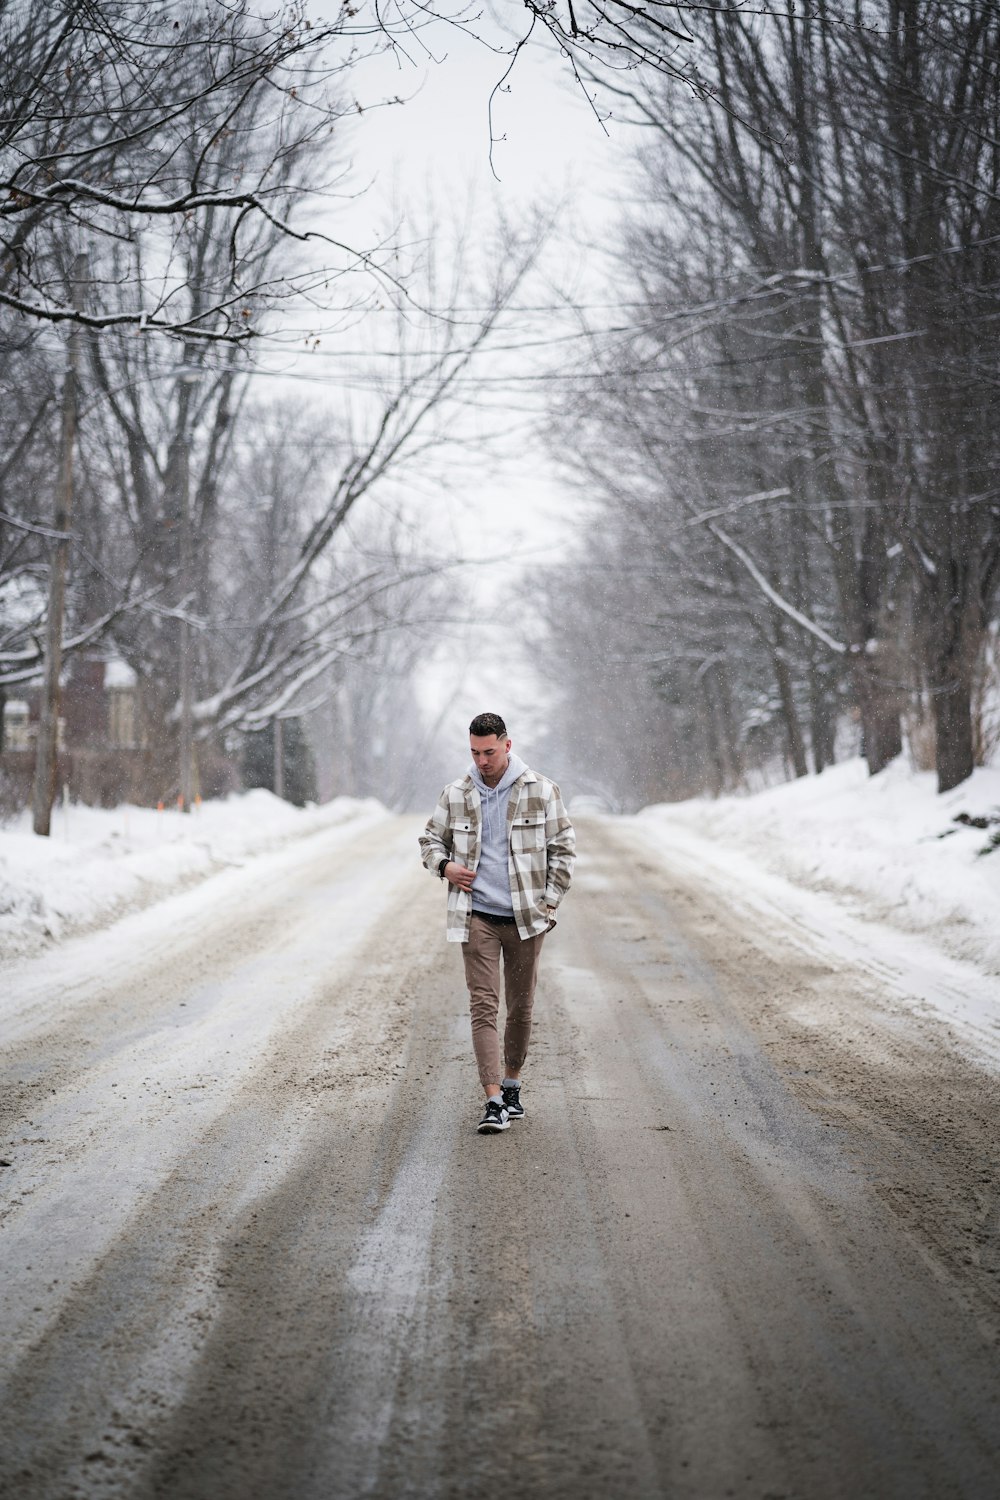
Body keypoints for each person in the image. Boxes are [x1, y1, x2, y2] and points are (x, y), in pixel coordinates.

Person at [419, 712, 576, 1134]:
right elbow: (430, 840)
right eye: (474, 752)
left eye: (489, 751)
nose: (482, 760)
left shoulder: (541, 790)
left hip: (527, 918)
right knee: (483, 1005)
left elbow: (563, 850)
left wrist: (549, 903)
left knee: (520, 1007)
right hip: (476, 916)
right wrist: (446, 866)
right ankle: (492, 1100)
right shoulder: (456, 793)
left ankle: (511, 1085)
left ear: (507, 744)